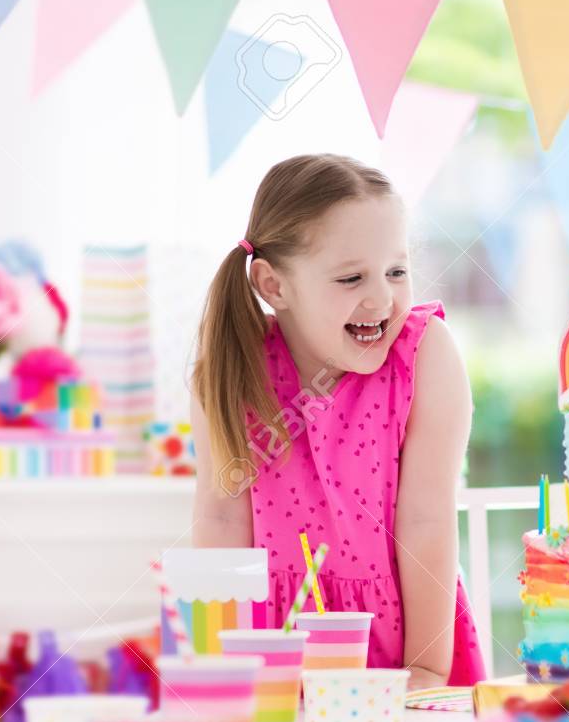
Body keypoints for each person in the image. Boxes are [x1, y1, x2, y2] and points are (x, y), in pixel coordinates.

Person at [190, 153, 486, 689]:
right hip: (267, 647)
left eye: (397, 271)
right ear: (274, 286)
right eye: (351, 278)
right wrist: (219, 667)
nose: (382, 298)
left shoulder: (424, 359)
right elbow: (221, 521)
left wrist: (425, 667)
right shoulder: (232, 368)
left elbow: (427, 523)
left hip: (401, 642)